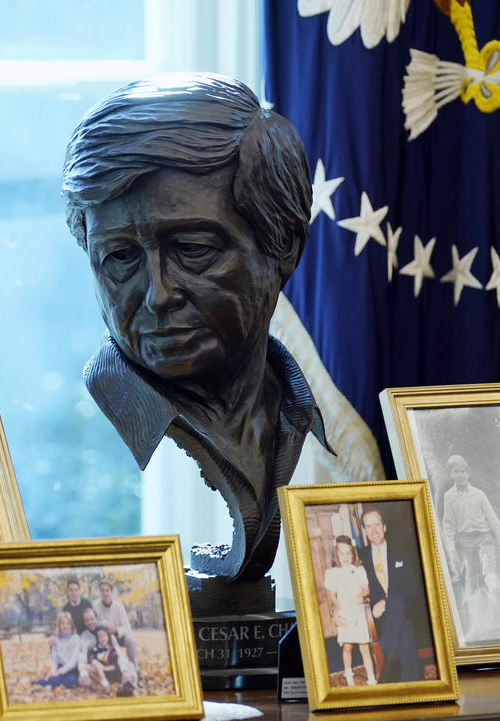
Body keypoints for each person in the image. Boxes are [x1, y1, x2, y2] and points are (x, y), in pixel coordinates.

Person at [62, 73, 330, 585]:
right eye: (120, 257)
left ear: (283, 248)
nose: (157, 294)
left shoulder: (294, 410)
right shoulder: (80, 446)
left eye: (193, 250)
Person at [358, 508, 424, 682]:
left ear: (384, 527)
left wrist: (387, 602)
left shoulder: (401, 553)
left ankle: (390, 663)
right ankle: (414, 687)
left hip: (403, 612)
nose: (374, 530)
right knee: (406, 630)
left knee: (400, 612)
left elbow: (412, 589)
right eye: (369, 526)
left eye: (377, 524)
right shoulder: (360, 558)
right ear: (364, 531)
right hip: (378, 620)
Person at [441, 455, 500, 596]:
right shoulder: (449, 497)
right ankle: (479, 606)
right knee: (471, 577)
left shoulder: (479, 494)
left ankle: (498, 601)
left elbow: (493, 520)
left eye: (462, 471)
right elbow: (449, 525)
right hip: (466, 541)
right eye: (456, 471)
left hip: (485, 537)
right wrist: (451, 549)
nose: (460, 475)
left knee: (489, 574)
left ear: (468, 473)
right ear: (451, 474)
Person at [324, 535, 376, 687]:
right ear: (336, 554)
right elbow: (331, 594)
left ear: (353, 554)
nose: (345, 557)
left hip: (358, 612)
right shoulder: (333, 573)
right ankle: (348, 672)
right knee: (347, 646)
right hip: (344, 612)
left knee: (364, 646)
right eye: (342, 554)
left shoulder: (359, 570)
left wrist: (362, 594)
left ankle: (371, 677)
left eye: (348, 553)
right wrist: (336, 606)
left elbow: (366, 588)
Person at [78, 608, 137, 696]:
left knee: (130, 666)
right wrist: (84, 675)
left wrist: (124, 670)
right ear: (84, 622)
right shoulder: (84, 637)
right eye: (87, 620)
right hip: (97, 671)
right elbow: (81, 658)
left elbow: (119, 654)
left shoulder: (106, 633)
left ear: (96, 618)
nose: (90, 622)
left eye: (92, 619)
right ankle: (103, 686)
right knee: (82, 678)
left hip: (112, 667)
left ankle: (127, 687)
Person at [94, 579, 137, 665]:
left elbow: (127, 627)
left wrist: (116, 630)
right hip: (103, 637)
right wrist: (103, 629)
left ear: (111, 592)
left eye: (107, 590)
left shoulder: (119, 606)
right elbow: (94, 625)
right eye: (102, 590)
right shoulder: (95, 606)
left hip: (118, 636)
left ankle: (133, 666)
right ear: (100, 592)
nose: (105, 593)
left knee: (130, 640)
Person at [36, 612, 82, 688]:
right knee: (54, 680)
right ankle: (42, 682)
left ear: (71, 626)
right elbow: (54, 659)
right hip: (60, 667)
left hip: (72, 669)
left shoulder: (76, 638)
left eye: (68, 624)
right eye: (63, 624)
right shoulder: (56, 639)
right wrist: (52, 671)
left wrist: (58, 672)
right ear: (59, 626)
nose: (65, 626)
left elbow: (73, 662)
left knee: (69, 681)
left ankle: (47, 682)